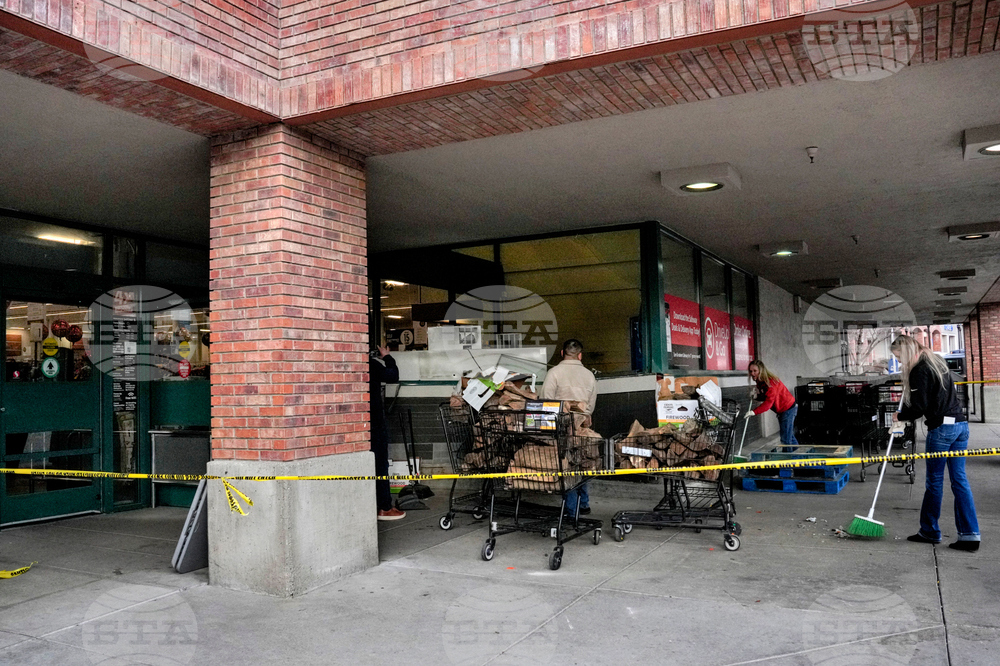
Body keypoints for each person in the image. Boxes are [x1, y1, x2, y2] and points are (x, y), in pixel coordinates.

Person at [891, 335, 980, 551]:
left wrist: (900, 416)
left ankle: (929, 531)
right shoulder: (937, 360)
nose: (900, 362)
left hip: (941, 430)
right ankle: (970, 535)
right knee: (960, 481)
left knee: (934, 482)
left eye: (899, 357)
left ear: (907, 350)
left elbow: (919, 407)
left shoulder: (919, 370)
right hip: (960, 426)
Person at [541, 339, 597, 517]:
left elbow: (545, 400)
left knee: (566, 466)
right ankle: (584, 504)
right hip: (582, 427)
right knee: (581, 462)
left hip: (560, 428)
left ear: (561, 353)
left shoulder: (554, 373)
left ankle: (571, 510)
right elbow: (591, 405)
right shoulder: (589, 375)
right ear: (580, 355)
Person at [370, 346, 405, 521]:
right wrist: (387, 357)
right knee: (380, 463)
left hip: (353, 422)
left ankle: (372, 504)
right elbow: (392, 376)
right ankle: (384, 507)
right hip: (374, 421)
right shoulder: (370, 365)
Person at [744, 359, 799, 448]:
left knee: (786, 440)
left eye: (755, 371)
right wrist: (756, 397)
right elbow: (766, 397)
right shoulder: (760, 381)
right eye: (751, 371)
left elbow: (768, 403)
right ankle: (801, 458)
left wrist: (754, 412)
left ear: (761, 371)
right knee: (789, 437)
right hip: (783, 410)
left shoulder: (771, 382)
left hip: (788, 409)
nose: (752, 373)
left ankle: (789, 460)